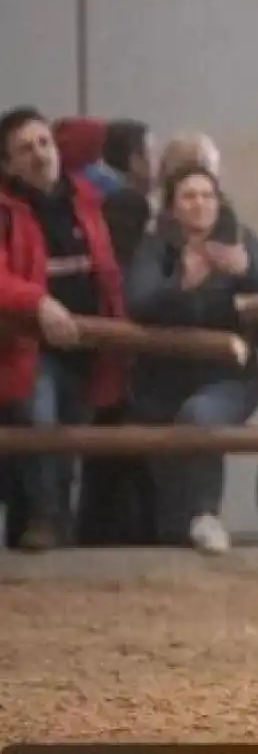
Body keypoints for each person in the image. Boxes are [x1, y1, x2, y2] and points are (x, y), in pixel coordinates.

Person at [123, 164, 258, 553]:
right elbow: (138, 302)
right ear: (172, 207)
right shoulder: (154, 247)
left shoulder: (240, 239)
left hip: (229, 377)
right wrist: (180, 285)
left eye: (207, 195)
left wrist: (245, 267)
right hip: (161, 380)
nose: (199, 204)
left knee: (199, 416)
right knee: (169, 488)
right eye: (189, 196)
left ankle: (206, 515)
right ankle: (180, 536)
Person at [0, 106, 130, 551]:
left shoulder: (87, 199)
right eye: (25, 148)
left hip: (88, 347)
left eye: (45, 143)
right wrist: (38, 301)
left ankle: (50, 531)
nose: (40, 155)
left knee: (67, 446)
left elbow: (106, 269)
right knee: (40, 428)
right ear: (7, 165)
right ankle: (45, 524)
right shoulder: (4, 211)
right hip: (28, 346)